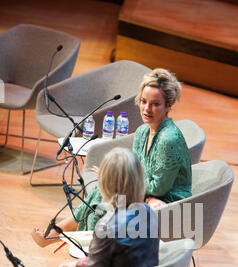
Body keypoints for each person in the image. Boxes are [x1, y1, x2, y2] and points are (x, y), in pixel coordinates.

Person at [31, 68, 192, 247]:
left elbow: (159, 187)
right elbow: (135, 169)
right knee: (101, 192)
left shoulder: (168, 139)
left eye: (155, 104)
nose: (147, 109)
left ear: (169, 105)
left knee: (108, 197)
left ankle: (78, 244)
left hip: (166, 202)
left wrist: (117, 180)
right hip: (144, 194)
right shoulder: (142, 131)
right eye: (144, 101)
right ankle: (69, 239)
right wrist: (116, 177)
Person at [26, 147, 159, 267]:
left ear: (105, 182)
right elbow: (116, 258)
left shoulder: (108, 226)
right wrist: (79, 263)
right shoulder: (147, 212)